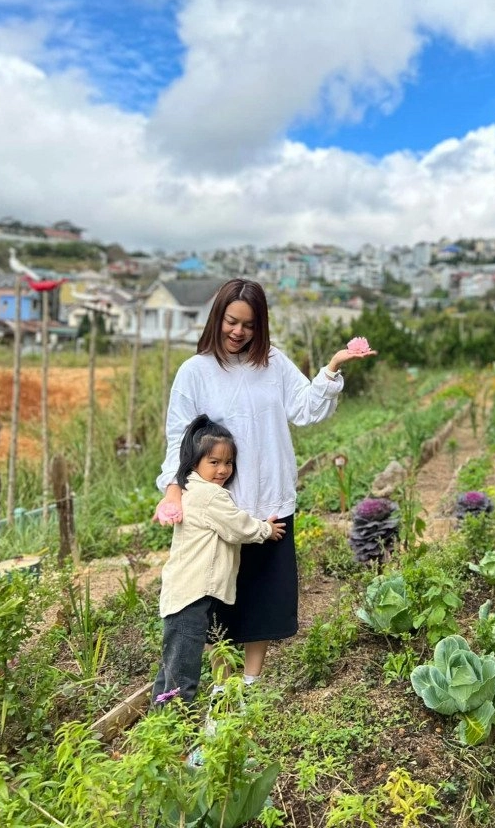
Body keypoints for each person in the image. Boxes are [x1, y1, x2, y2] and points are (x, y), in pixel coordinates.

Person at [153, 278, 376, 687]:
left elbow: (306, 409)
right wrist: (172, 490)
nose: (238, 332)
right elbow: (178, 438)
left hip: (271, 499)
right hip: (221, 509)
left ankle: (249, 686)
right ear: (217, 317)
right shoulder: (195, 372)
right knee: (215, 600)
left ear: (261, 327)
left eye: (249, 325)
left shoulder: (273, 363)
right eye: (231, 321)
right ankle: (223, 689)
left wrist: (332, 367)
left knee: (261, 600)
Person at [151, 414, 286, 705]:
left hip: (184, 592)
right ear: (194, 461)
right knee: (182, 673)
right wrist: (266, 529)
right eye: (214, 462)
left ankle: (160, 726)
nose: (223, 470)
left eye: (228, 463)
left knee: (172, 669)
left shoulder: (190, 489)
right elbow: (238, 526)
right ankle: (172, 734)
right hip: (191, 594)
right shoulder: (210, 496)